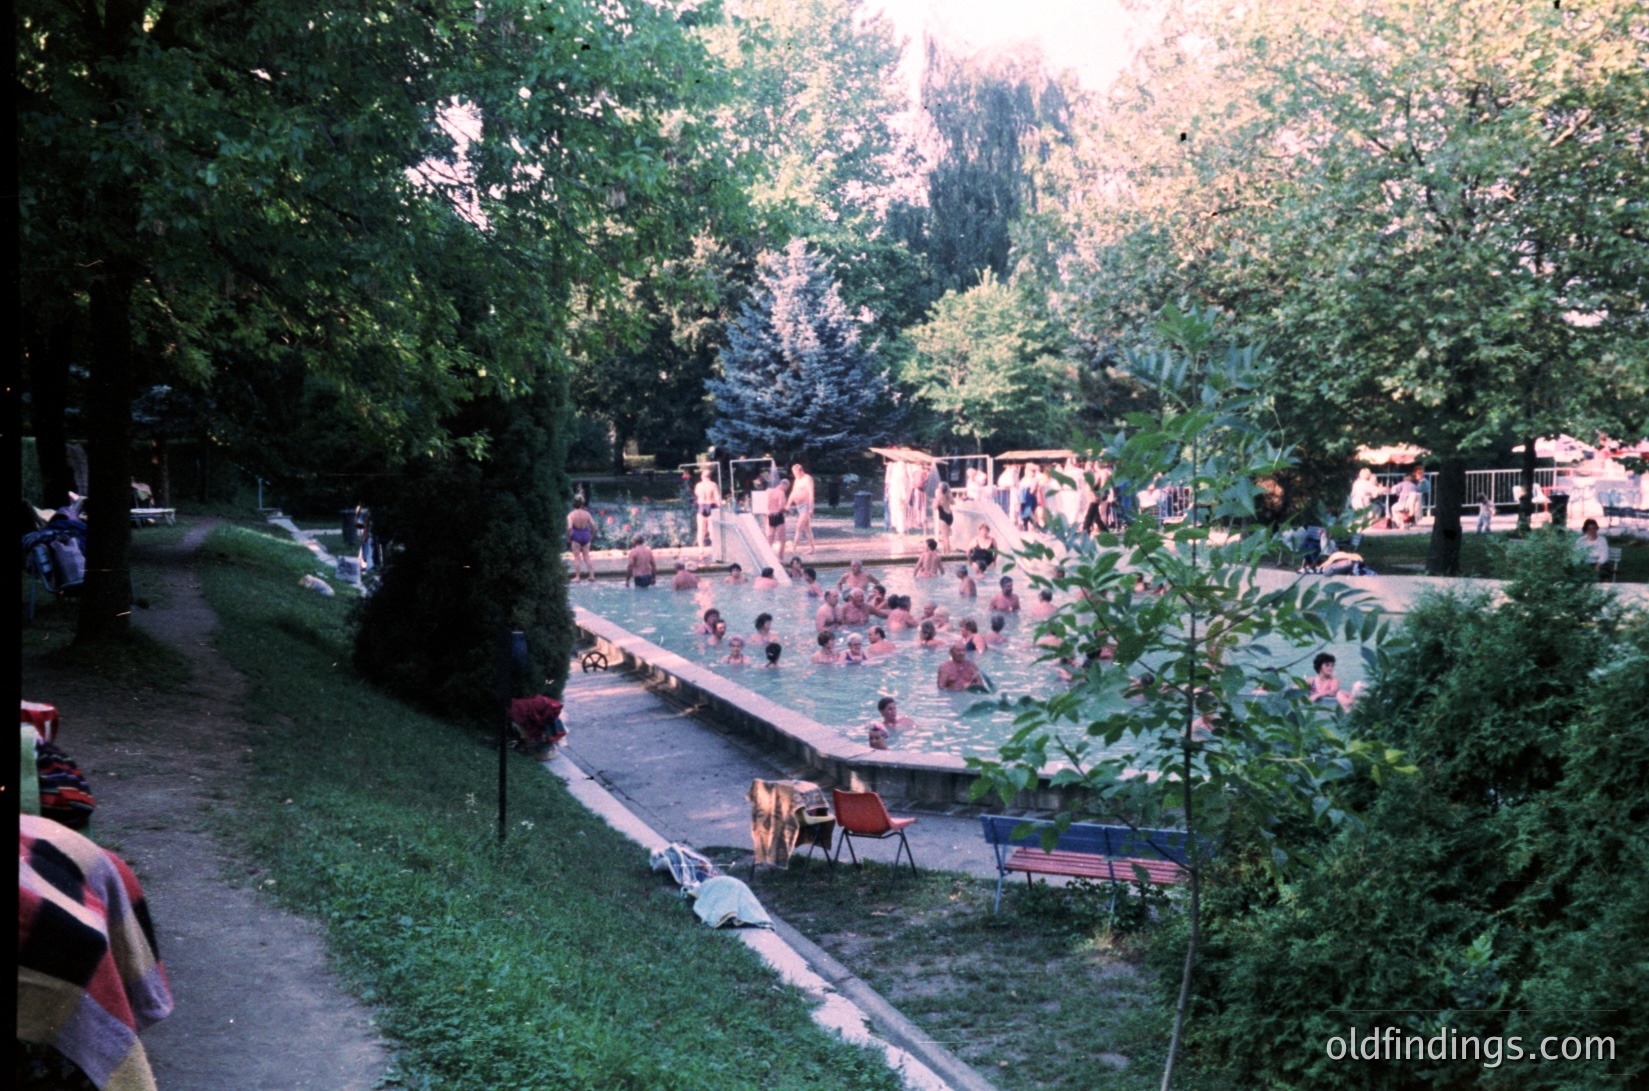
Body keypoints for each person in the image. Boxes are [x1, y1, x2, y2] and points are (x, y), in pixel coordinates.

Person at [789, 463, 817, 555]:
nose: (795, 475)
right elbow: (793, 492)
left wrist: (811, 508)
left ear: (801, 471)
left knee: (799, 527)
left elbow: (811, 494)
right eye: (794, 474)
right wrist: (788, 504)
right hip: (799, 506)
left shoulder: (807, 479)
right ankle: (812, 548)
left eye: (796, 473)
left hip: (806, 505)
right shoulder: (797, 479)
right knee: (807, 528)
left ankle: (793, 548)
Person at [566, 496, 596, 581]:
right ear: (582, 504)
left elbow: (569, 527)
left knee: (577, 557)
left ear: (573, 504)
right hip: (586, 534)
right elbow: (593, 525)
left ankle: (577, 577)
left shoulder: (571, 515)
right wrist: (592, 535)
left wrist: (568, 536)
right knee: (587, 556)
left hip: (576, 535)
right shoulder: (587, 514)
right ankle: (592, 575)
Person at [693, 469, 722, 553]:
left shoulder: (699, 485)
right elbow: (717, 498)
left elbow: (697, 495)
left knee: (701, 529)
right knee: (712, 529)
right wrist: (720, 507)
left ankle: (701, 548)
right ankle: (715, 547)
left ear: (702, 476)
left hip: (702, 506)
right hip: (711, 506)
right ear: (710, 476)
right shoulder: (713, 485)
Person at [765, 472, 790, 561]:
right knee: (782, 540)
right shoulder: (781, 493)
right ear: (785, 485)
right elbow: (781, 507)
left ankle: (767, 556)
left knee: (770, 538)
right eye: (787, 488)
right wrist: (788, 511)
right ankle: (781, 558)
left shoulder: (768, 491)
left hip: (770, 515)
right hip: (778, 516)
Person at [935, 481, 955, 553]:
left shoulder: (940, 497)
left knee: (944, 537)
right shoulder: (949, 495)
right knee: (947, 536)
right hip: (950, 515)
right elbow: (953, 502)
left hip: (943, 516)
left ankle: (947, 553)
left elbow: (934, 507)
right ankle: (946, 551)